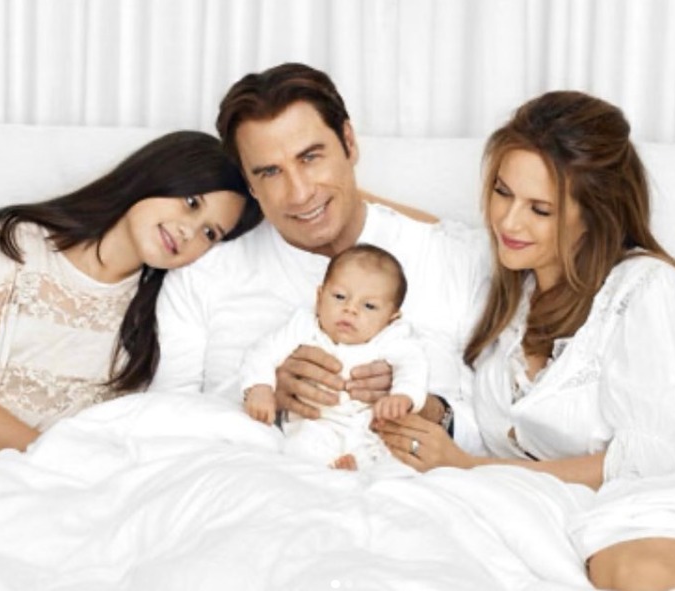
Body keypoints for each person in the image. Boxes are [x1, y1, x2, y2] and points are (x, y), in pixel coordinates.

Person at [375, 90, 675, 590]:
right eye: (502, 192)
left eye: (540, 209)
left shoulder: (644, 288)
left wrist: (473, 469)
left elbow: (646, 463)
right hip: (563, 510)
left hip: (669, 493)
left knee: (627, 572)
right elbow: (432, 231)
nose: (508, 222)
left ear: (593, 213)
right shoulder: (513, 294)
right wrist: (432, 413)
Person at [151, 62, 490, 457]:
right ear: (250, 185)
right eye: (270, 172)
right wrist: (264, 397)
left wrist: (429, 409)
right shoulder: (200, 277)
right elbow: (162, 426)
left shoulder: (454, 258)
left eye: (310, 157)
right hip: (256, 484)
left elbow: (506, 435)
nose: (299, 194)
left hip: (407, 484)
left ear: (349, 142)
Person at [0, 130, 262, 452]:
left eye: (209, 233)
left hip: (76, 476)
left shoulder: (156, 319)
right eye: (191, 203)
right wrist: (52, 458)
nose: (188, 231)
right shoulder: (13, 244)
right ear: (157, 174)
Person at [242, 244, 428, 470]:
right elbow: (262, 351)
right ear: (319, 297)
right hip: (315, 421)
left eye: (369, 306)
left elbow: (412, 365)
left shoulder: (392, 338)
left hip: (366, 425)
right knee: (300, 445)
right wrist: (260, 386)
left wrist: (404, 396)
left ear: (391, 318)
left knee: (389, 455)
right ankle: (331, 470)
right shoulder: (304, 326)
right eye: (340, 296)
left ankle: (358, 467)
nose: (350, 309)